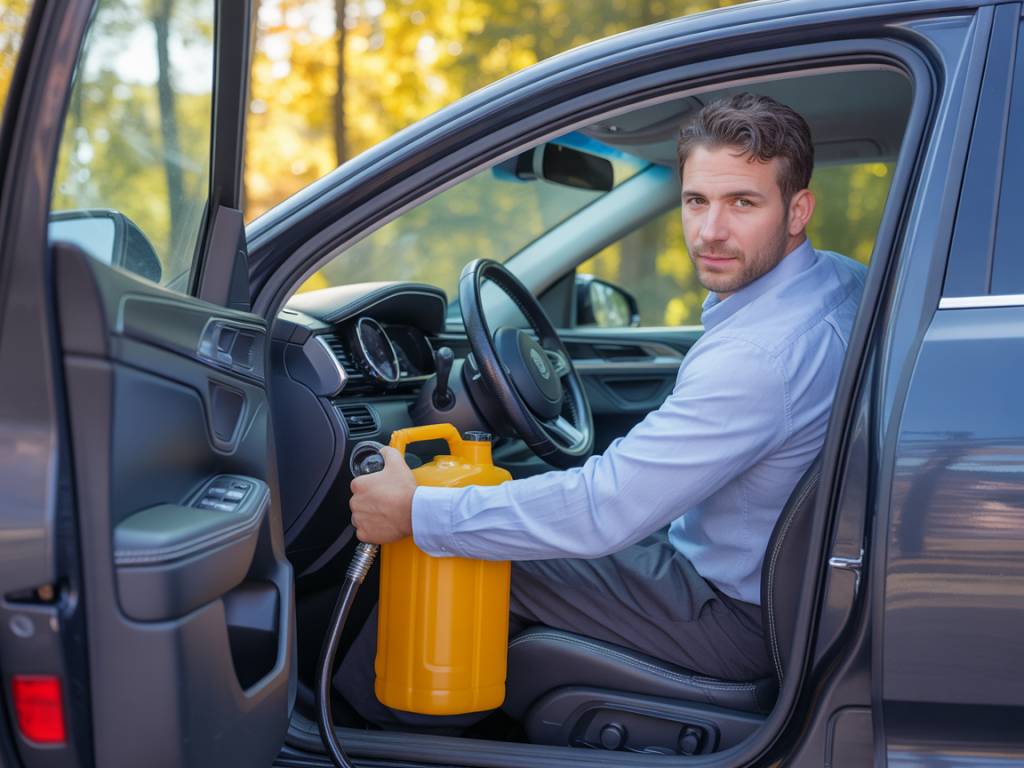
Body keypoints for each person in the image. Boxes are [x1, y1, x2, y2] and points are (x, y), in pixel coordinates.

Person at [338, 93, 867, 728]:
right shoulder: (840, 282)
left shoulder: (758, 357)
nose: (710, 231)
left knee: (456, 545)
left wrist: (415, 511)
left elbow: (604, 510)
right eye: (696, 201)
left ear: (798, 210)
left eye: (743, 203)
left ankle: (348, 731)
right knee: (495, 512)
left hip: (734, 616)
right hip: (767, 584)